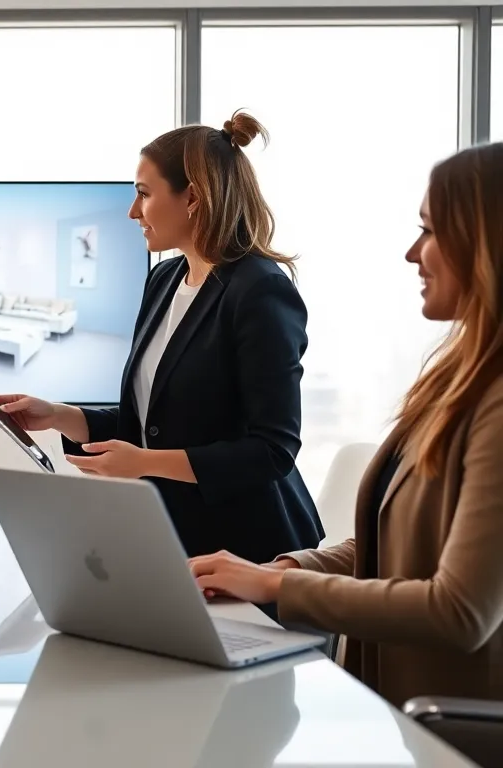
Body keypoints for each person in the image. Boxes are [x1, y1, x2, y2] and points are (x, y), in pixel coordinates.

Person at [190, 142, 503, 705]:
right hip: (394, 706)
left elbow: (459, 610)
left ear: (485, 244)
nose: (412, 253)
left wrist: (277, 585)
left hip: (445, 728)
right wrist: (281, 568)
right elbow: (393, 547)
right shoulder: (458, 377)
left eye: (429, 230)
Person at [0, 112, 323, 566]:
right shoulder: (165, 278)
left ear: (193, 197)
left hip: (250, 550)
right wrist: (58, 416)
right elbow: (154, 422)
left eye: (144, 194)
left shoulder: (260, 290)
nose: (133, 211)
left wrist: (145, 464)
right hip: (170, 535)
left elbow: (272, 450)